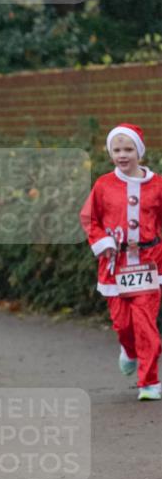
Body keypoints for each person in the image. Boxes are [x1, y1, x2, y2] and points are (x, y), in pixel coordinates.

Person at [80, 123, 162, 400]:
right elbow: (90, 218)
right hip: (115, 264)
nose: (122, 155)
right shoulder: (104, 185)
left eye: (128, 149)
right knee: (123, 325)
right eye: (117, 149)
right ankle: (128, 350)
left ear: (139, 151)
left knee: (145, 323)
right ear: (110, 153)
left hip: (150, 264)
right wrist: (102, 241)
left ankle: (149, 382)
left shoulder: (157, 185)